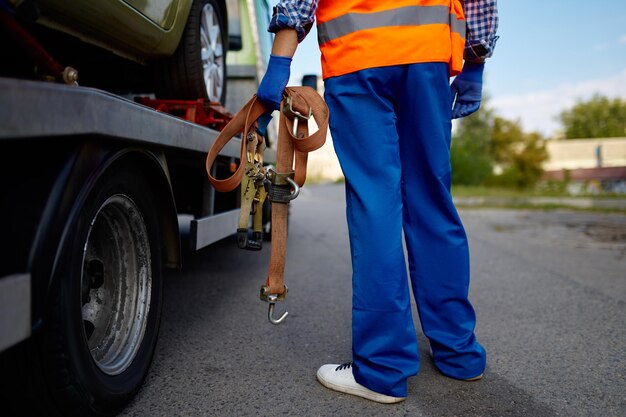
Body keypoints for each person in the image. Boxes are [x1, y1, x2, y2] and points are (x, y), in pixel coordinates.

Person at [257, 0, 499, 404]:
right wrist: (475, 62)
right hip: (428, 56)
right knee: (432, 203)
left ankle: (383, 369)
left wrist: (280, 61)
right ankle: (460, 354)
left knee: (375, 206)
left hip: (359, 58)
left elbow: (300, 3)